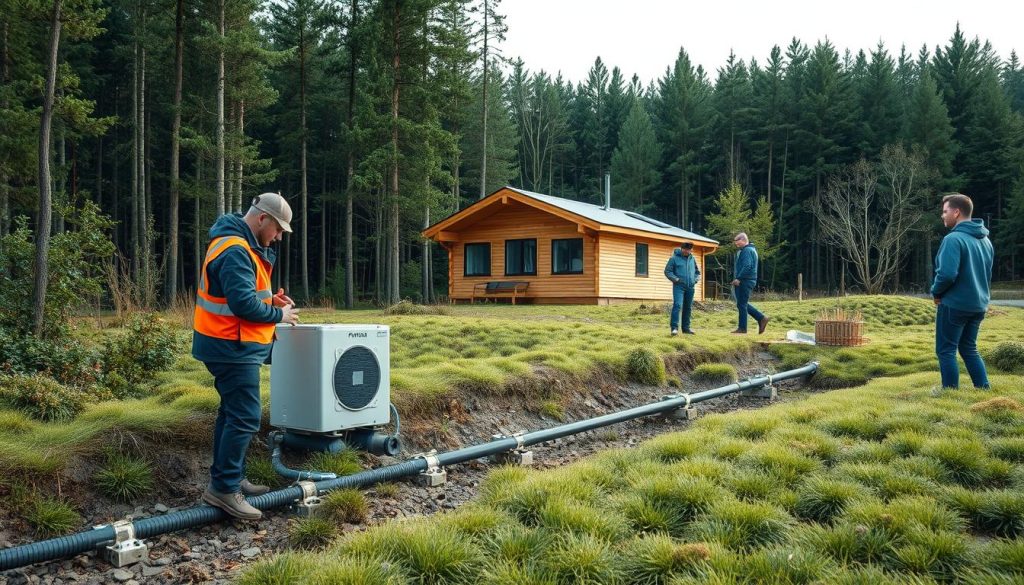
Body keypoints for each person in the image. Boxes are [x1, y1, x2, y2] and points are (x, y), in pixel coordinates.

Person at [192, 193, 300, 520]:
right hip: (231, 346)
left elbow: (245, 295)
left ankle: (231, 477)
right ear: (262, 219)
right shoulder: (236, 250)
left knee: (231, 412)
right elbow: (242, 305)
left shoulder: (239, 244)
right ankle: (224, 490)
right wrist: (278, 316)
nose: (279, 237)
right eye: (278, 229)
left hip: (228, 344)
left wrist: (273, 303)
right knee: (245, 416)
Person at [930, 193, 993, 390]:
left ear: (956, 212)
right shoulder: (986, 241)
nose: (943, 215)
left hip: (955, 305)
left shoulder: (953, 239)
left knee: (946, 350)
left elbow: (947, 274)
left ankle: (949, 393)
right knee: (969, 348)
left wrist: (936, 292)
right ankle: (983, 389)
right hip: (978, 305)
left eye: (945, 211)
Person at [730, 232, 769, 335]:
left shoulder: (746, 250)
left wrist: (738, 278)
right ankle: (761, 318)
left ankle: (743, 328)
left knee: (741, 304)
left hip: (745, 280)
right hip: (749, 280)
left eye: (738, 243)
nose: (737, 245)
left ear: (743, 240)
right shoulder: (752, 249)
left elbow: (747, 266)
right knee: (742, 303)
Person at [664, 241, 700, 335]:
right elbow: (668, 271)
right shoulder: (674, 258)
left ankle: (686, 329)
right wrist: (675, 279)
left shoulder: (692, 259)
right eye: (685, 249)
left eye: (689, 250)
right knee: (678, 305)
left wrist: (695, 280)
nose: (687, 251)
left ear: (691, 249)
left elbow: (697, 272)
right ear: (682, 249)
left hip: (690, 287)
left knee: (688, 307)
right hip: (678, 286)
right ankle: (674, 328)